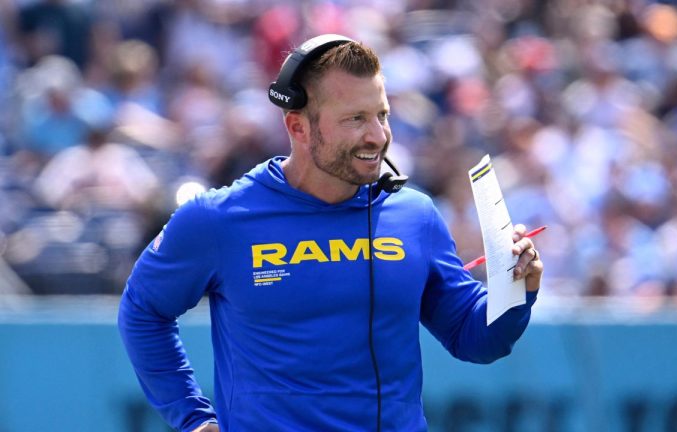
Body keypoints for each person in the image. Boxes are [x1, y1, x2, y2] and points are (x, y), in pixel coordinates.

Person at [118, 34, 543, 432]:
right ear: (298, 127)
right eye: (355, 119)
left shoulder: (415, 215)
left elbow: (474, 338)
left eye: (382, 115)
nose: (377, 136)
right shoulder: (217, 220)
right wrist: (192, 418)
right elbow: (142, 311)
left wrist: (515, 286)